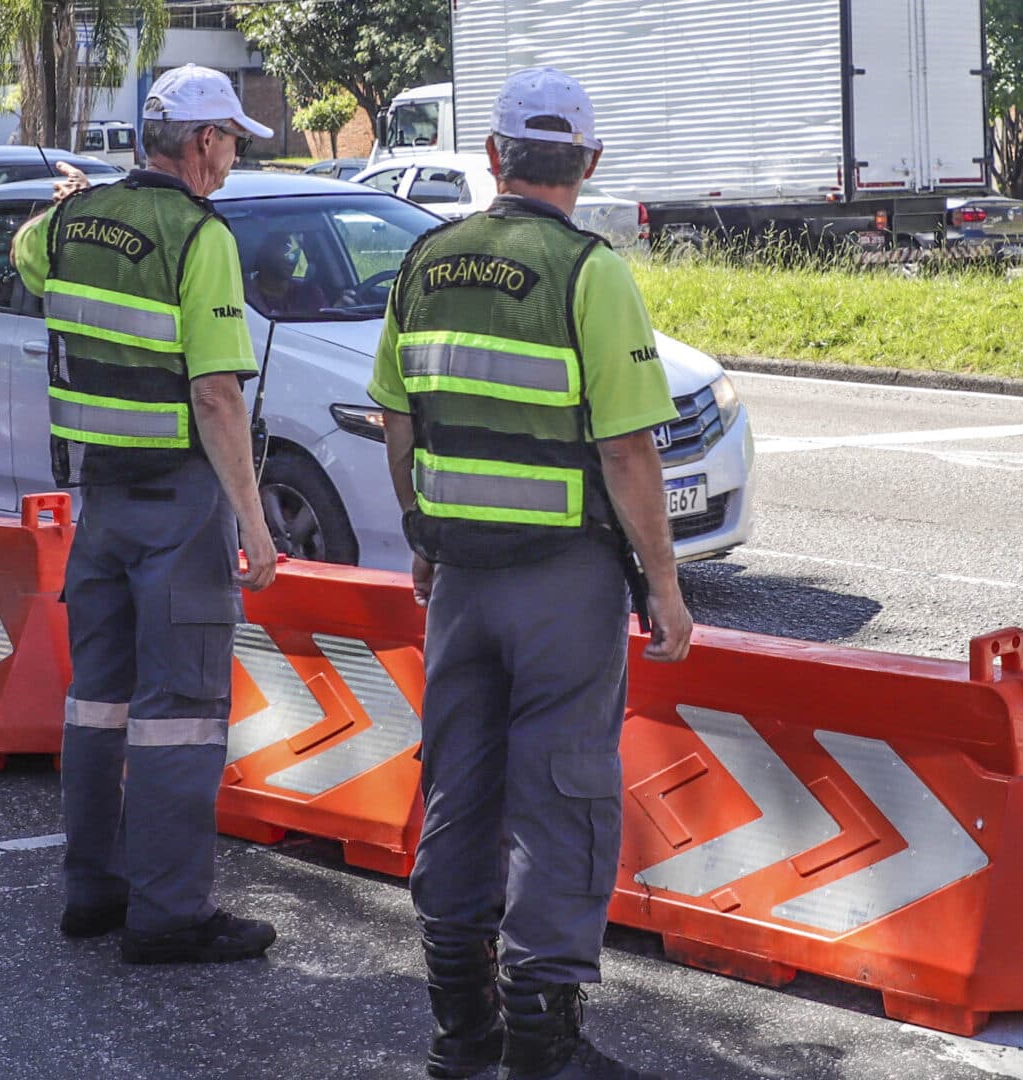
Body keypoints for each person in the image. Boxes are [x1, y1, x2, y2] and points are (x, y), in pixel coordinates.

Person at [368, 67, 692, 1080]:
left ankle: (461, 1034)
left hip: (461, 579)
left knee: (461, 783)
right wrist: (666, 586)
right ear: (588, 164)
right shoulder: (589, 272)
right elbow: (629, 453)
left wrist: (423, 530)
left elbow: (398, 415)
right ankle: (543, 1044)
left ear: (497, 158)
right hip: (563, 580)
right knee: (561, 791)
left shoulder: (424, 258)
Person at [9, 64, 280, 965]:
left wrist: (64, 205)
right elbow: (215, 396)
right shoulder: (199, 235)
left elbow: (25, 256)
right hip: (179, 506)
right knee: (181, 713)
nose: (235, 155)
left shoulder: (73, 222)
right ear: (201, 144)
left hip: (104, 502)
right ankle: (168, 916)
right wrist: (254, 519)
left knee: (97, 704)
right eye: (232, 139)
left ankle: (93, 891)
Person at [247, 231, 328, 317]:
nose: (294, 255)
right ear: (265, 249)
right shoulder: (244, 295)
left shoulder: (310, 294)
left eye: (299, 246)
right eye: (287, 245)